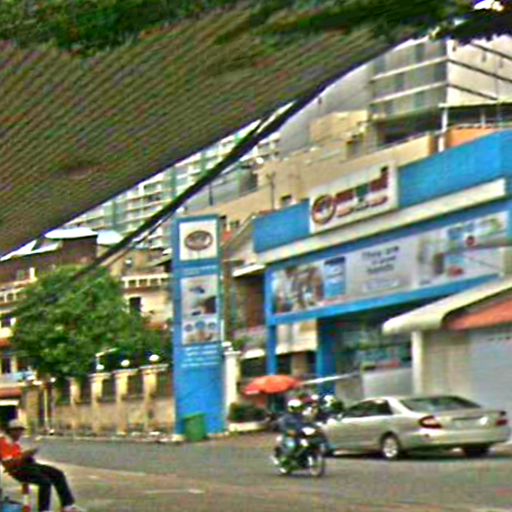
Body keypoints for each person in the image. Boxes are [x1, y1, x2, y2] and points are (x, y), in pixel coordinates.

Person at [0, 419, 85, 512]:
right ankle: (44, 509)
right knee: (45, 482)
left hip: (28, 466)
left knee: (58, 474)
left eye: (21, 431)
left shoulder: (14, 444)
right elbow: (9, 463)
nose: (20, 434)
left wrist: (27, 455)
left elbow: (18, 456)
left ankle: (67, 505)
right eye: (18, 431)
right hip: (18, 470)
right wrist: (24, 455)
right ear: (11, 431)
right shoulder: (3, 443)